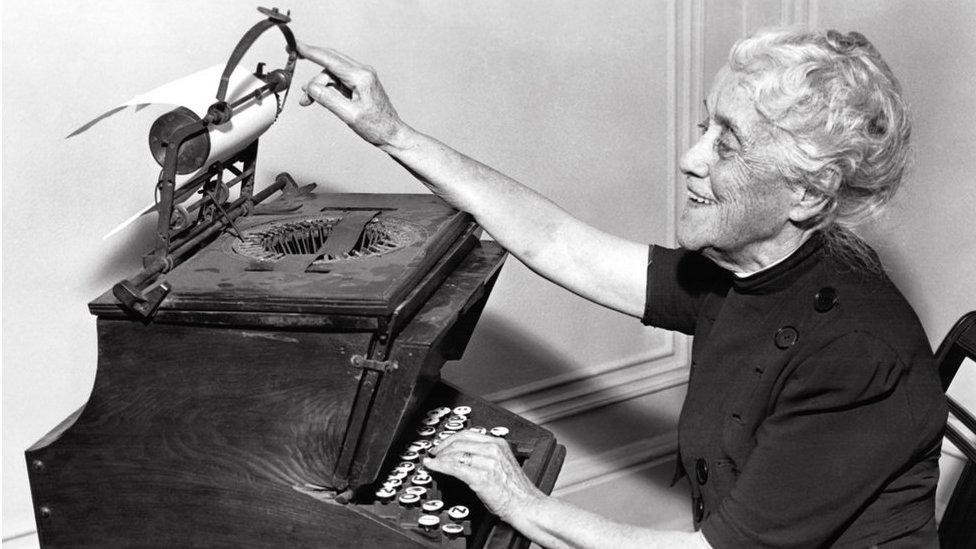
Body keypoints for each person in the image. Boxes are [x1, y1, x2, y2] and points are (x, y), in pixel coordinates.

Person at [296, 27, 947, 548]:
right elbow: (557, 243)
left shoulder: (857, 355)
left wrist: (524, 501)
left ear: (808, 191)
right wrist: (393, 133)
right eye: (705, 127)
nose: (692, 158)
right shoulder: (744, 266)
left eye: (729, 143)